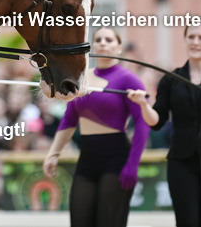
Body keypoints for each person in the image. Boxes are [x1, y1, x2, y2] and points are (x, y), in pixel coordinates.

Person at [129, 26, 201, 227]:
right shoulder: (172, 79)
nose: (195, 42)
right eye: (191, 37)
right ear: (185, 40)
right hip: (182, 160)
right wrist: (144, 105)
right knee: (186, 221)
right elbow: (157, 121)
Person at [43, 28, 150, 227]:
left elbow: (143, 123)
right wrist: (53, 153)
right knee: (79, 220)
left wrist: (132, 166)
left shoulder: (129, 79)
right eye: (98, 39)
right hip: (87, 158)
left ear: (118, 48)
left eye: (109, 40)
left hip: (116, 158)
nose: (102, 43)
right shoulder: (82, 79)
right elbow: (69, 119)